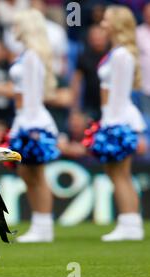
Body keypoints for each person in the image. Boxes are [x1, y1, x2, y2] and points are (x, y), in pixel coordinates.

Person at [94, 6, 146, 241]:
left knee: (120, 173)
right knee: (116, 173)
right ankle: (129, 222)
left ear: (116, 24)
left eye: (106, 20)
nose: (102, 25)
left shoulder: (121, 55)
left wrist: (108, 125)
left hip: (118, 118)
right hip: (115, 118)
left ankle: (130, 224)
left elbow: (118, 94)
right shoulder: (117, 52)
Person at [8, 9, 59, 243]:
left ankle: (43, 224)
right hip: (26, 118)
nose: (13, 29)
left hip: (31, 120)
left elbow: (30, 96)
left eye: (17, 25)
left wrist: (27, 127)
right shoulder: (29, 55)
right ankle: (41, 224)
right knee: (29, 173)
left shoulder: (30, 56)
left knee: (35, 174)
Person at [71, 25, 110, 121]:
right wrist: (75, 107)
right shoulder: (84, 56)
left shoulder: (111, 55)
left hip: (109, 104)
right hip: (90, 105)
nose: (97, 41)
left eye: (99, 38)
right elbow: (77, 80)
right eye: (94, 38)